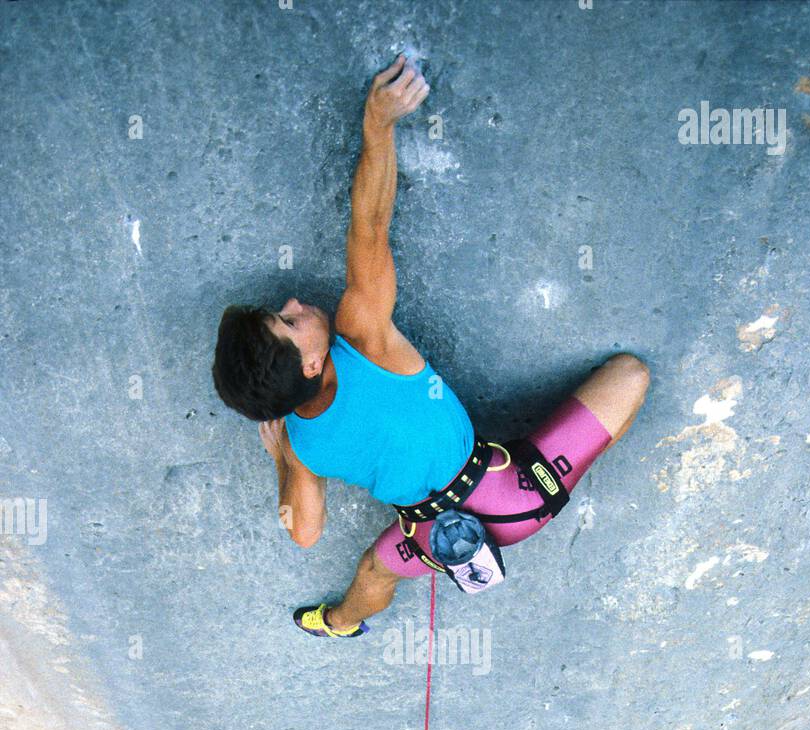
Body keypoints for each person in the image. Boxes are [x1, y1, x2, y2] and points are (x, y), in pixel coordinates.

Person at [212, 55, 649, 638]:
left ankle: (338, 623)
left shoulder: (303, 441)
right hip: (514, 491)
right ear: (313, 363)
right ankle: (560, 457)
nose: (294, 304)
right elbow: (369, 226)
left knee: (373, 570)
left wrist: (285, 457)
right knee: (631, 375)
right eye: (289, 322)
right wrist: (378, 124)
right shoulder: (363, 338)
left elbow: (305, 531)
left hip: (425, 537)